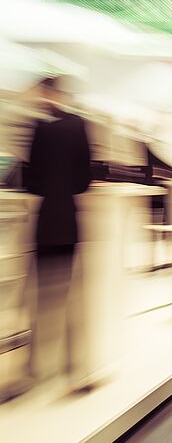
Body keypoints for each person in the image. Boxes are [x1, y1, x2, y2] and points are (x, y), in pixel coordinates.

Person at [23, 76, 92, 385]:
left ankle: (35, 370)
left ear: (46, 93)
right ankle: (74, 368)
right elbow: (84, 181)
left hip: (44, 222)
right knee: (71, 295)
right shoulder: (78, 125)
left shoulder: (38, 127)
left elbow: (30, 181)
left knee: (39, 297)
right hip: (69, 220)